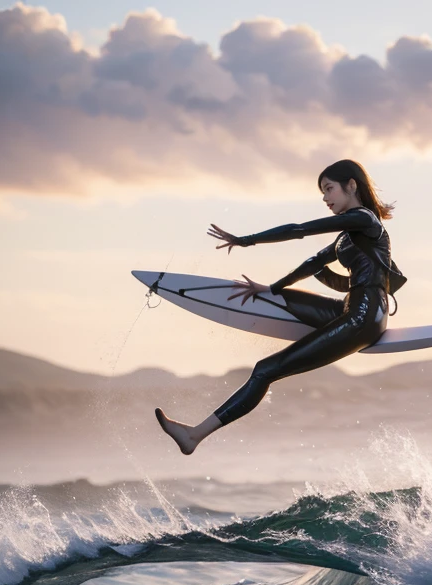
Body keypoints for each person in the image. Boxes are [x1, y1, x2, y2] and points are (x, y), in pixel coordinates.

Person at [155, 159, 395, 454]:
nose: (324, 198)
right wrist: (271, 289)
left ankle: (194, 436)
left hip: (364, 315)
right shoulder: (346, 238)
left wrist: (246, 240)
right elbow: (313, 263)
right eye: (322, 192)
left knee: (265, 370)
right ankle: (271, 294)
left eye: (329, 189)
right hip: (350, 307)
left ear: (352, 185)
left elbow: (300, 229)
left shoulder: (366, 221)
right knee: (278, 298)